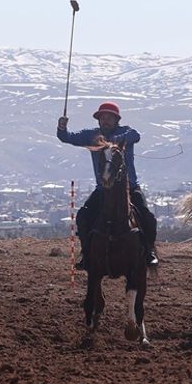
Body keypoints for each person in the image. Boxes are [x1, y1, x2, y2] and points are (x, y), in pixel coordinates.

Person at [57, 101, 159, 268]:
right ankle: (86, 254)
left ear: (116, 120)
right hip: (103, 189)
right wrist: (62, 128)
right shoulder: (90, 135)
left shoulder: (126, 131)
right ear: (98, 120)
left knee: (147, 217)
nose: (105, 120)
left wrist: (114, 141)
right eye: (102, 117)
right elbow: (66, 137)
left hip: (129, 188)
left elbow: (136, 135)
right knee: (83, 216)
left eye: (109, 118)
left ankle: (149, 252)